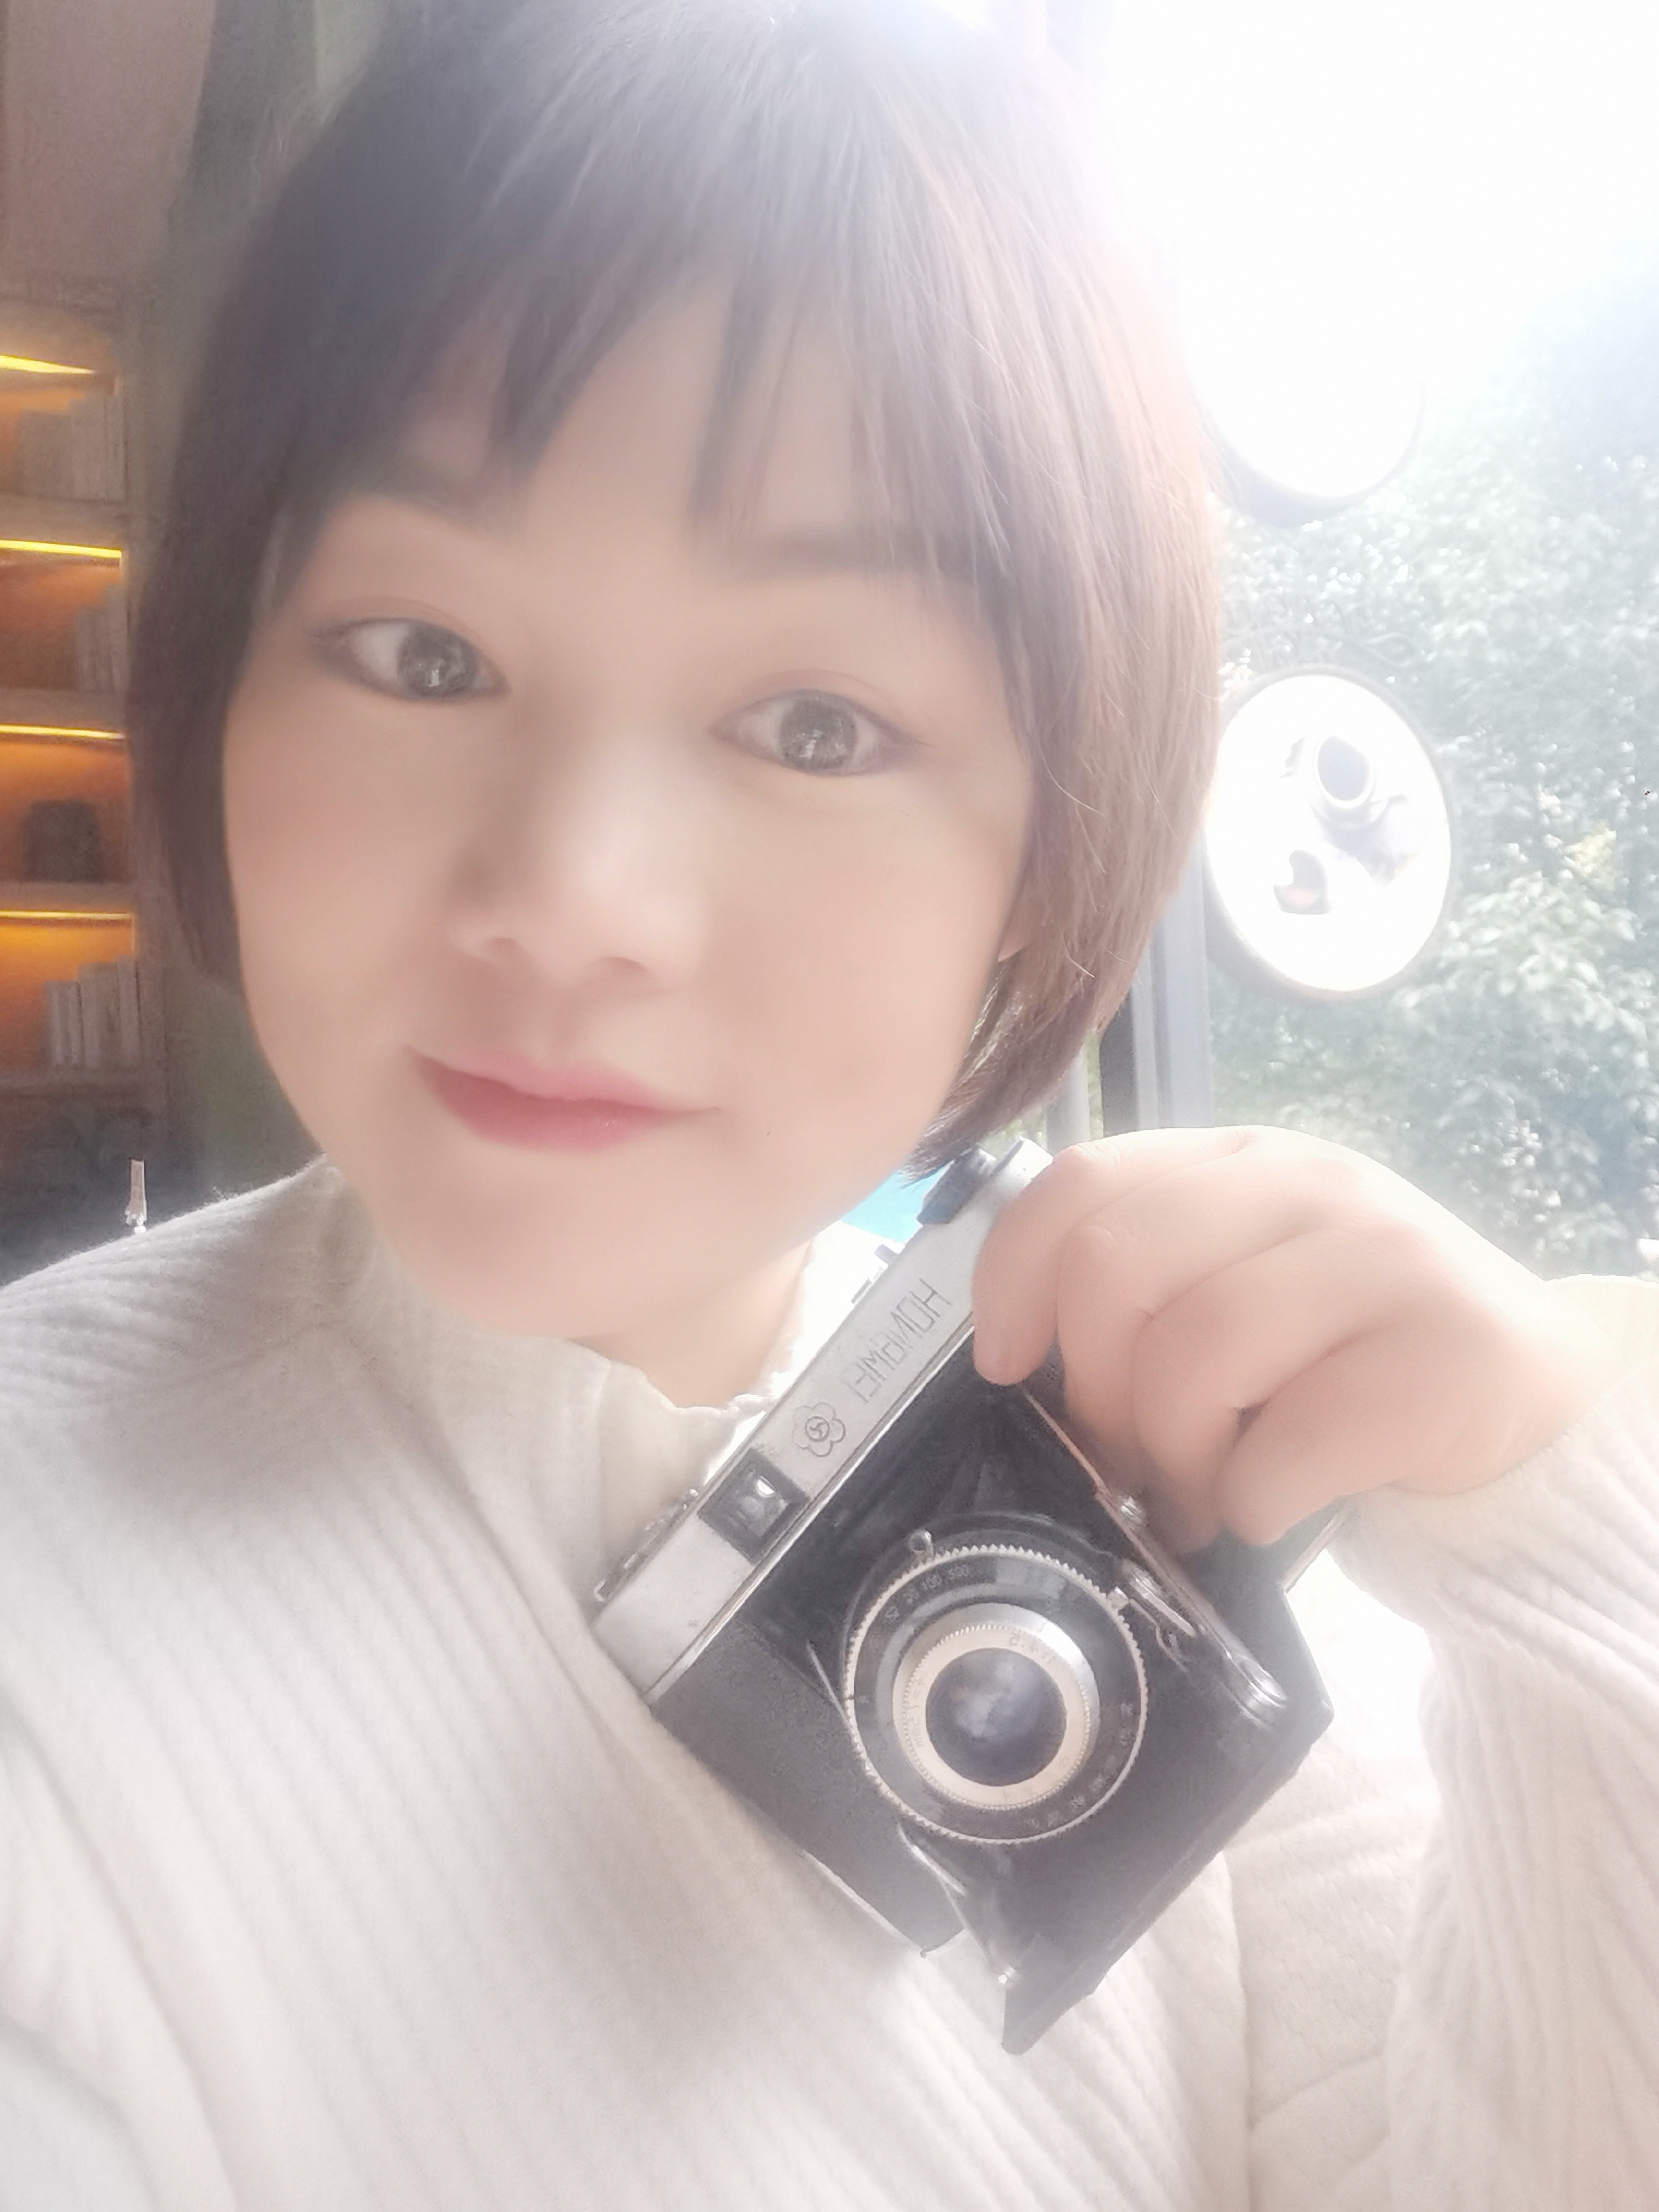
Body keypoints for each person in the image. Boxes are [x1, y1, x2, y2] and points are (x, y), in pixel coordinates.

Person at [0, 2, 1655, 2206]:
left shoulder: (1164, 1502)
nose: (573, 901)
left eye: (813, 722)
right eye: (425, 657)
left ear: (1047, 847)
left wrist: (1558, 1523)